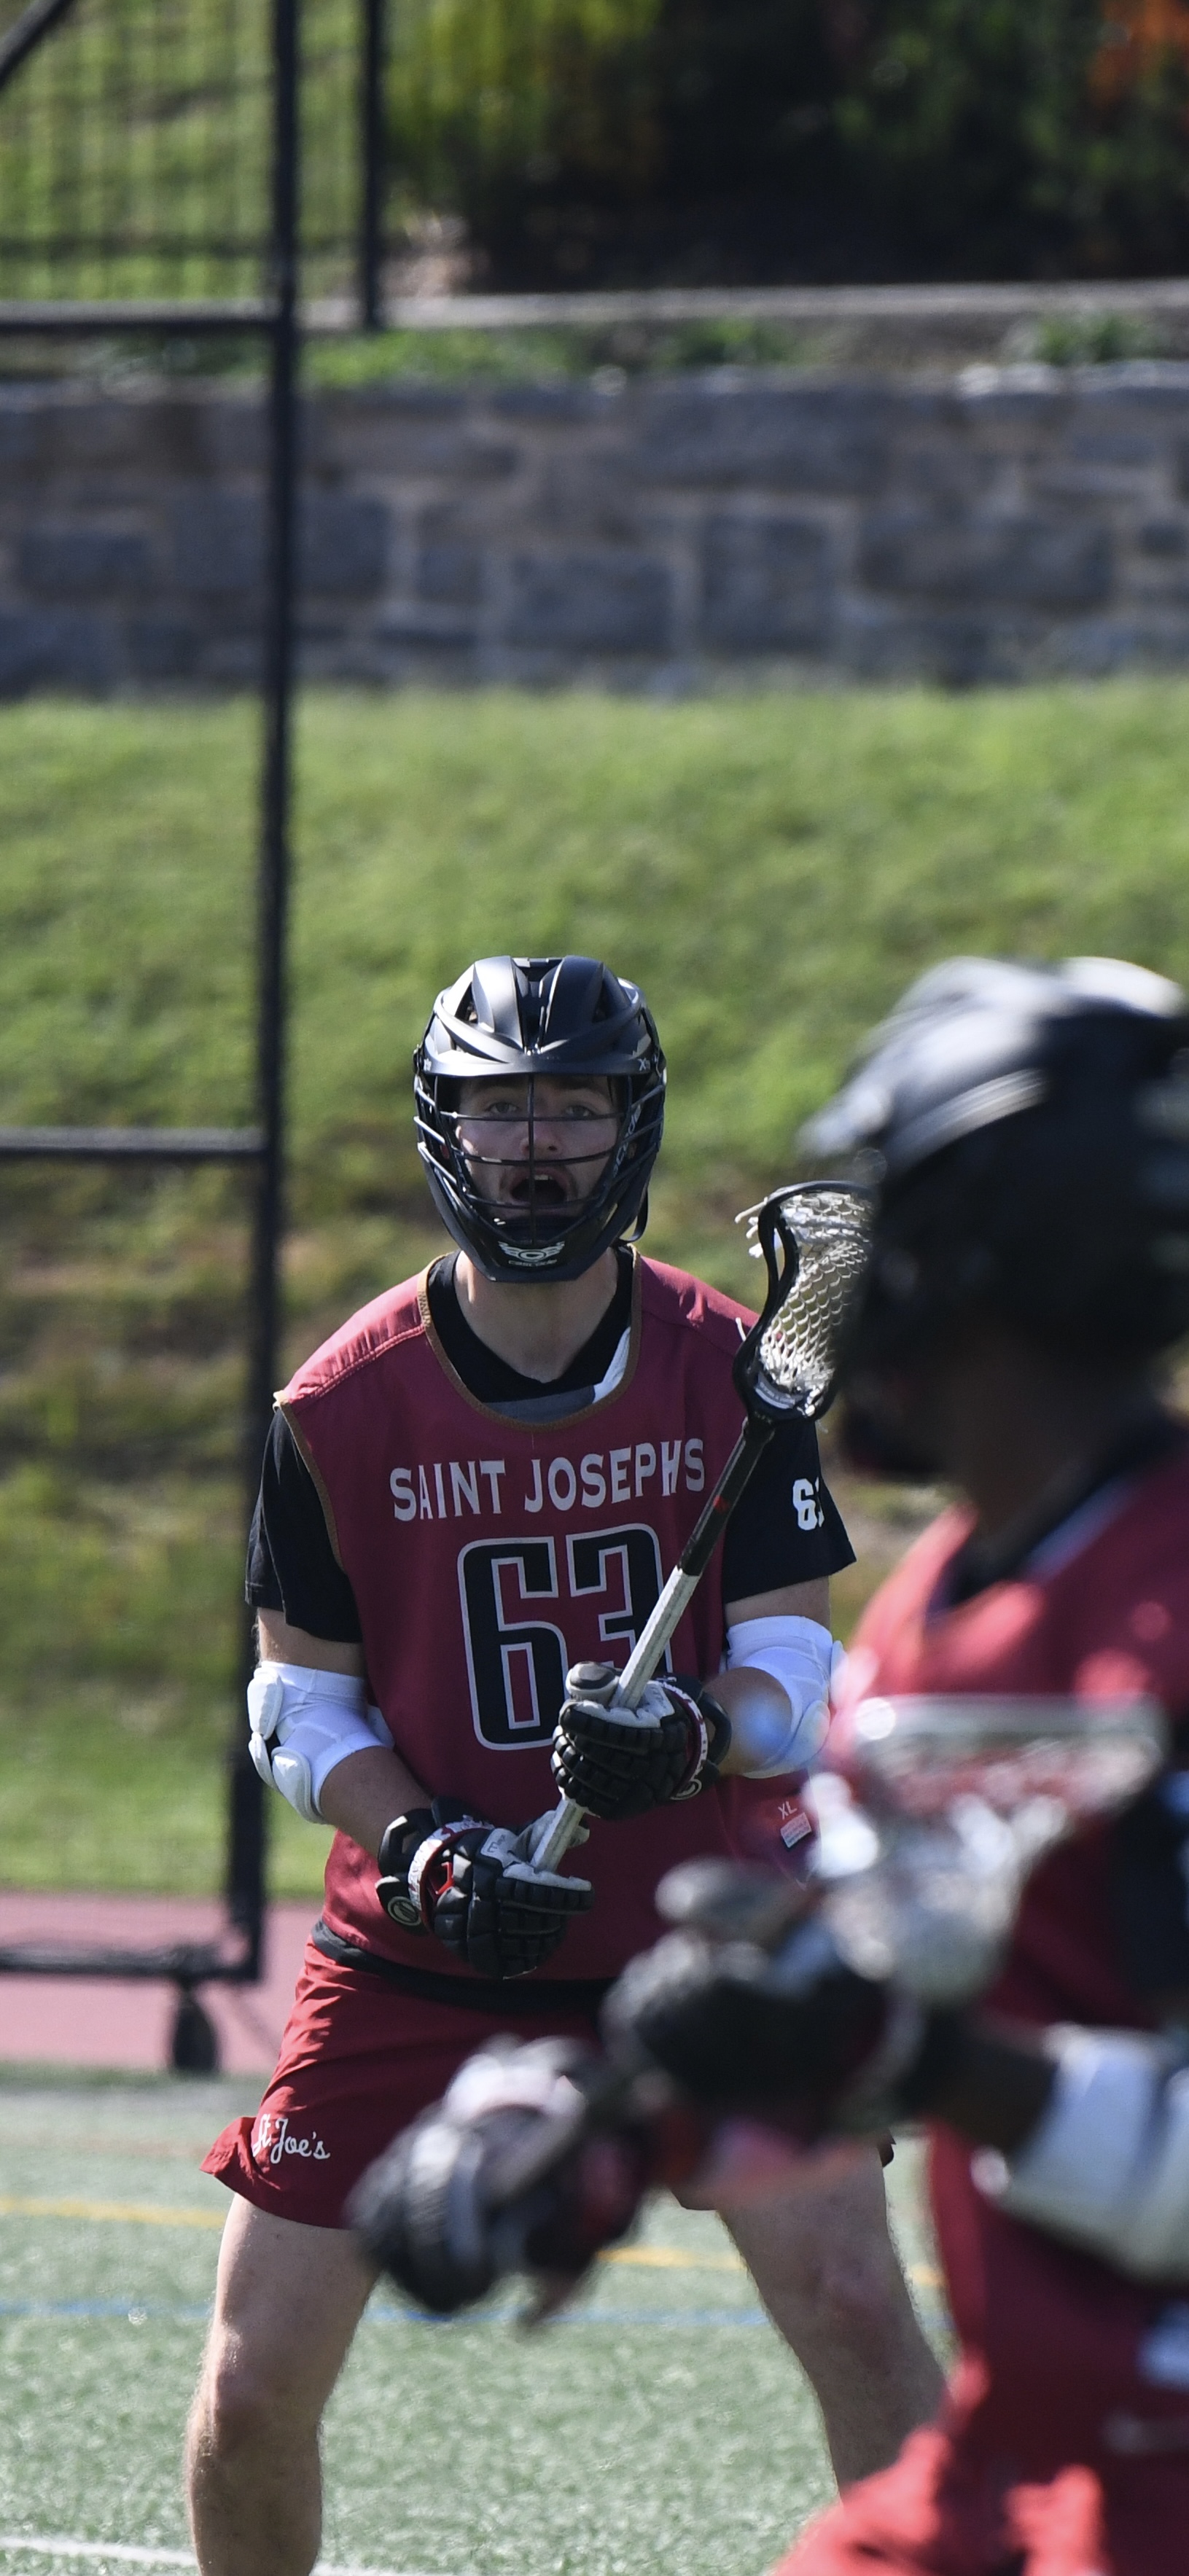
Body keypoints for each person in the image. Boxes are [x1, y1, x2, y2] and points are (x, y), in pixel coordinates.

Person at [388, 955, 1189, 2575]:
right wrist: (608, 2115)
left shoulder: (1157, 1624)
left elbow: (932, 2043)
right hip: (1035, 2454)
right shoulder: (940, 1611)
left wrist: (931, 2059)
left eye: (894, 1203)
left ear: (978, 1248)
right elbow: (861, 1977)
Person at [186, 953, 940, 2576]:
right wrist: (431, 1855)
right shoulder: (337, 1403)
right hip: (423, 1949)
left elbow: (797, 1666)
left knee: (864, 2315)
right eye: (500, 1106)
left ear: (629, 1127)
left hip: (700, 1944)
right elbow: (296, 1707)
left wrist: (690, 1734)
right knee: (251, 2389)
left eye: (573, 1107)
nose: (538, 1144)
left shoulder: (736, 1371)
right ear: (442, 1127)